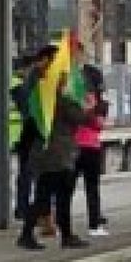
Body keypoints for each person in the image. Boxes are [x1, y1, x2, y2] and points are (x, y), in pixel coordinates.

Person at [17, 69, 93, 250]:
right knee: (60, 197)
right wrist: (90, 106)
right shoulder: (63, 102)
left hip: (42, 154)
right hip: (59, 155)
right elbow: (81, 118)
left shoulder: (38, 102)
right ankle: (42, 235)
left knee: (44, 196)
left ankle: (32, 234)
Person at [10, 47, 57, 221]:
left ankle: (26, 210)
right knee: (36, 175)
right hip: (29, 133)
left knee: (27, 174)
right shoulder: (28, 81)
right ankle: (35, 213)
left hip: (24, 133)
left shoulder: (22, 80)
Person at [73, 90, 108, 236]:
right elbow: (99, 125)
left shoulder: (73, 105)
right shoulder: (95, 108)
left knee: (67, 188)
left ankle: (62, 224)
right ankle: (94, 225)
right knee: (92, 188)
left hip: (75, 147)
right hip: (91, 148)